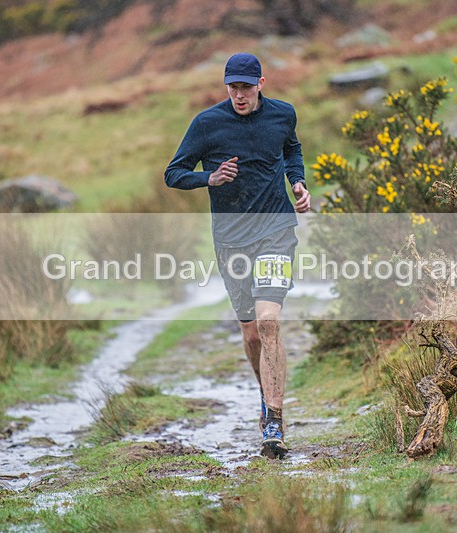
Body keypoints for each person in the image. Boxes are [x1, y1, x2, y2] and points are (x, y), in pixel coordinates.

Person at [164, 52, 310, 459]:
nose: (239, 95)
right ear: (226, 86)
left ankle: (274, 421)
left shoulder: (283, 114)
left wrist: (298, 182)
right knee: (251, 333)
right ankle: (266, 395)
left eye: (246, 87)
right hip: (231, 242)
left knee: (269, 321)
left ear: (261, 83)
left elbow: (292, 150)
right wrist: (208, 178)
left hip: (275, 231)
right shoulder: (207, 124)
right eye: (233, 87)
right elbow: (173, 173)